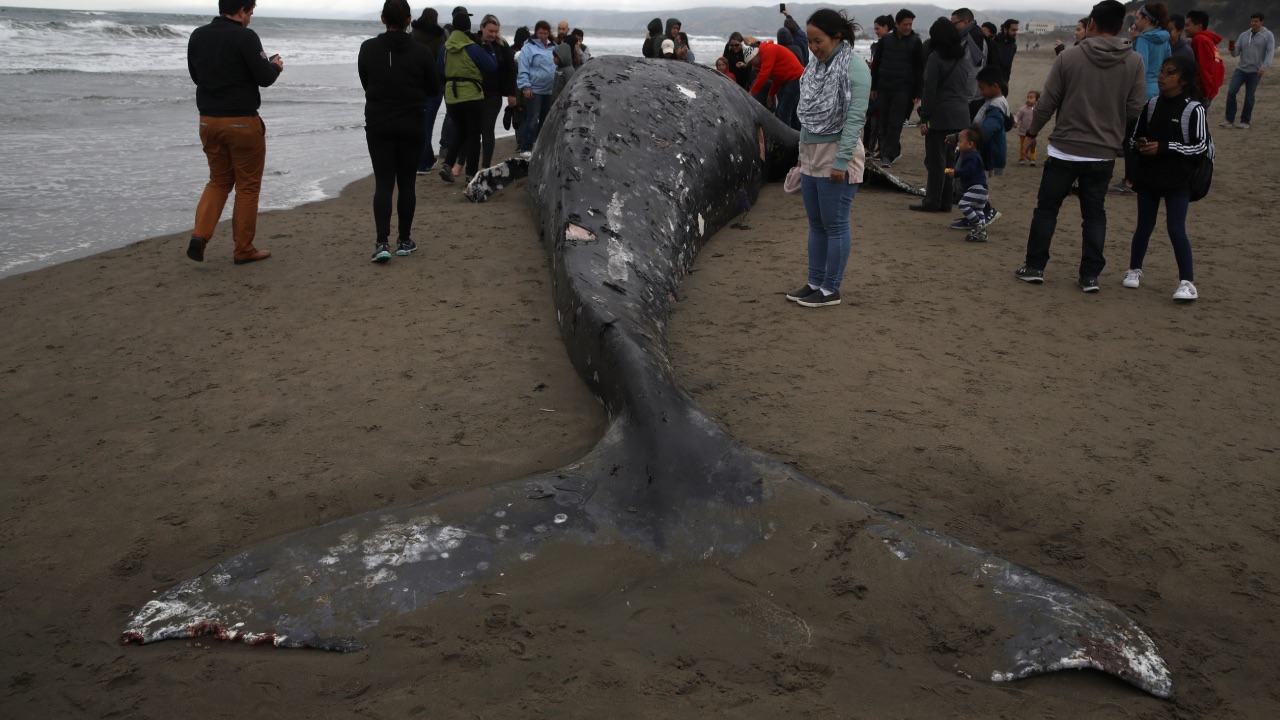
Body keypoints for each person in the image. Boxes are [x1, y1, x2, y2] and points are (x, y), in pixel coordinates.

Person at [1014, 0, 1145, 292]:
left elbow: (1047, 102)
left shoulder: (1068, 57)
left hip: (1064, 149)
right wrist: (1113, 128)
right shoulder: (1134, 61)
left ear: (1092, 23)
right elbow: (1136, 108)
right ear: (1121, 27)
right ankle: (1089, 275)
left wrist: (1032, 132)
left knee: (1047, 209)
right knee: (1094, 213)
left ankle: (1034, 267)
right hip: (1103, 152)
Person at [185, 0, 283, 266]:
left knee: (218, 181)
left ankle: (200, 235)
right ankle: (243, 249)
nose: (250, 18)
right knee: (247, 186)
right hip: (241, 121)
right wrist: (275, 65)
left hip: (208, 121)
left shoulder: (198, 35)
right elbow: (264, 78)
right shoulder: (245, 36)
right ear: (241, 11)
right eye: (250, 13)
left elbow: (196, 76)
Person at [783, 8, 870, 308]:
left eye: (818, 40)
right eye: (809, 41)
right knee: (817, 224)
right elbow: (808, 118)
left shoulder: (855, 68)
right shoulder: (815, 68)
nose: (813, 47)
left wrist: (841, 162)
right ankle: (814, 282)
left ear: (837, 37)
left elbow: (856, 119)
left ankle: (831, 289)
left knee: (835, 225)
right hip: (811, 154)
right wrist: (801, 155)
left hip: (838, 154)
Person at [1122, 55, 1209, 301]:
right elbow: (1133, 137)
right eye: (1162, 71)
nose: (1162, 76)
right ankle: (1134, 269)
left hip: (1178, 178)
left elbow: (1200, 146)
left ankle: (1187, 282)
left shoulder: (1194, 109)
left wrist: (1164, 147)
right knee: (1144, 225)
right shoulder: (1151, 105)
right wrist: (1140, 144)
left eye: (1170, 73)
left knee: (1176, 228)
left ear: (1184, 80)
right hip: (1149, 175)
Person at [358, 0, 438, 263]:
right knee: (406, 183)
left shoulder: (368, 48)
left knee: (383, 183)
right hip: (411, 122)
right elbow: (432, 88)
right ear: (409, 20)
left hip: (379, 121)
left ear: (383, 18)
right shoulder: (421, 51)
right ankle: (404, 240)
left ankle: (382, 243)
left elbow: (366, 82)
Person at [911, 17, 969, 214]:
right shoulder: (962, 58)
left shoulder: (935, 58)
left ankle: (933, 201)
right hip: (961, 115)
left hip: (941, 116)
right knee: (950, 160)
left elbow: (929, 89)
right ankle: (945, 201)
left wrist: (924, 117)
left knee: (936, 161)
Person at [437, 7, 496, 183]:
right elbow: (491, 67)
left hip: (452, 96)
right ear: (469, 28)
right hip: (471, 94)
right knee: (473, 135)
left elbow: (439, 69)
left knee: (460, 132)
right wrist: (488, 50)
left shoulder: (445, 48)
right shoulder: (472, 48)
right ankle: (470, 174)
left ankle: (447, 164)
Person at [870, 8, 923, 169]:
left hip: (903, 89)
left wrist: (917, 92)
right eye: (905, 24)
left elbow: (919, 69)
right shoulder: (886, 40)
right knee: (883, 122)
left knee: (895, 122)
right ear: (897, 24)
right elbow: (877, 64)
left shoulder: (915, 42)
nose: (908, 27)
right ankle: (892, 150)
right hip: (884, 87)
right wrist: (873, 87)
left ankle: (887, 155)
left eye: (910, 24)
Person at [477, 14, 518, 170]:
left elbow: (511, 70)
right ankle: (468, 164)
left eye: (496, 31)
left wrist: (512, 94)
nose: (493, 34)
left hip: (493, 95)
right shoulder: (474, 43)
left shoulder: (502, 45)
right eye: (490, 31)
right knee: (473, 130)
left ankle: (485, 166)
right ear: (482, 28)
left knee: (487, 129)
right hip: (474, 94)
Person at [410, 8, 447, 174]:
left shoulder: (412, 35)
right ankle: (423, 163)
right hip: (434, 86)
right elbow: (442, 63)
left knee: (418, 124)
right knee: (427, 125)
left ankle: (428, 158)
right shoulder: (439, 38)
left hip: (415, 86)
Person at [1223, 12, 1275, 129]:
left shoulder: (1268, 35)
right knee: (1231, 92)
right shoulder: (1244, 35)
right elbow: (1236, 53)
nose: (1253, 23)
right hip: (1241, 69)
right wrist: (1232, 49)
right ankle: (1229, 120)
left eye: (1256, 21)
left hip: (1255, 71)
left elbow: (1270, 52)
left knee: (1249, 97)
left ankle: (1245, 121)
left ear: (1261, 22)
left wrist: (1265, 66)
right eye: (1252, 21)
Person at [945, 125, 990, 242]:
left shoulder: (971, 157)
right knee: (978, 210)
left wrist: (955, 173)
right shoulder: (974, 155)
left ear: (970, 144)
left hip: (976, 189)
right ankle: (981, 233)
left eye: (960, 141)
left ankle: (977, 224)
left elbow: (968, 171)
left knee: (963, 204)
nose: (958, 144)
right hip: (982, 190)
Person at [516, 20, 555, 156]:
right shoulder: (528, 47)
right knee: (532, 119)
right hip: (534, 90)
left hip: (549, 89)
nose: (543, 36)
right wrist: (526, 87)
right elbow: (523, 68)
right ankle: (525, 147)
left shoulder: (553, 47)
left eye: (545, 33)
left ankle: (539, 146)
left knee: (545, 119)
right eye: (540, 33)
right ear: (536, 33)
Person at [747, 40, 805, 129]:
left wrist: (752, 92)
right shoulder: (767, 52)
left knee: (783, 112)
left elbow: (764, 74)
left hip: (795, 78)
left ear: (755, 55)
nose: (753, 65)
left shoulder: (768, 50)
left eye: (752, 62)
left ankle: (787, 136)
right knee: (787, 111)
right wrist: (771, 94)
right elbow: (778, 77)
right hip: (791, 79)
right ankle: (797, 133)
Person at [950, 8, 989, 116]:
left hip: (972, 99)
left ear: (966, 22)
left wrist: (966, 101)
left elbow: (973, 72)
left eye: (954, 24)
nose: (952, 27)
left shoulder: (973, 39)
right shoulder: (966, 36)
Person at [1185, 11, 1225, 108]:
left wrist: (1205, 91)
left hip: (1202, 92)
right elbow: (1219, 64)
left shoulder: (1199, 40)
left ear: (1199, 26)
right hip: (1211, 90)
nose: (1185, 29)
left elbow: (1205, 67)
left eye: (1187, 25)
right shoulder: (1209, 40)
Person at [1133, 4, 1172, 100]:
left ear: (1146, 19)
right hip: (1160, 88)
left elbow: (1141, 68)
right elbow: (1169, 63)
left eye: (1137, 18)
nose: (1135, 22)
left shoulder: (1143, 39)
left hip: (1144, 89)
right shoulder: (1165, 38)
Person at [551, 31, 583, 100]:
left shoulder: (569, 70)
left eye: (555, 57)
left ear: (561, 57)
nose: (553, 59)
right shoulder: (559, 68)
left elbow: (570, 88)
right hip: (556, 99)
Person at [1014, 89, 1039, 165]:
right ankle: (1022, 158)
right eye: (1027, 97)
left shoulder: (1037, 110)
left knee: (1032, 145)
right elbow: (1017, 116)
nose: (1028, 99)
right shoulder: (1023, 109)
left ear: (1036, 101)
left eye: (1031, 98)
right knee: (1023, 145)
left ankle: (1033, 159)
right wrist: (1016, 122)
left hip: (1032, 132)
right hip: (1023, 131)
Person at [990, 19, 1018, 85]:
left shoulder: (1013, 46)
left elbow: (1008, 65)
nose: (1015, 33)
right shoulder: (994, 42)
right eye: (1013, 30)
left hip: (1004, 81)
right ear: (1005, 29)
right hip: (991, 81)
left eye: (1016, 30)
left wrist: (1006, 80)